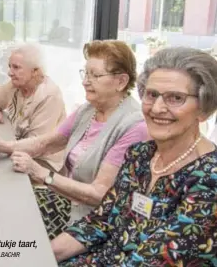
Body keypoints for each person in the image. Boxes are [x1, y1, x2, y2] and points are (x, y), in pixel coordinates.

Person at [52, 46, 217, 266]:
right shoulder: (140, 155)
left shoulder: (209, 179)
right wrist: (44, 254)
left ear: (203, 108)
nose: (157, 108)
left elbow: (154, 261)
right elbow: (101, 221)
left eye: (175, 98)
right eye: (151, 95)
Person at [0, 40, 149, 239]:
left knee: (13, 230)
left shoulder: (133, 125)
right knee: (0, 207)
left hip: (95, 221)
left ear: (121, 81)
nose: (85, 81)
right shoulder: (88, 110)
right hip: (69, 201)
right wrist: (5, 146)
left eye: (95, 75)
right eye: (85, 73)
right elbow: (46, 142)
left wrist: (39, 172)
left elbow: (99, 194)